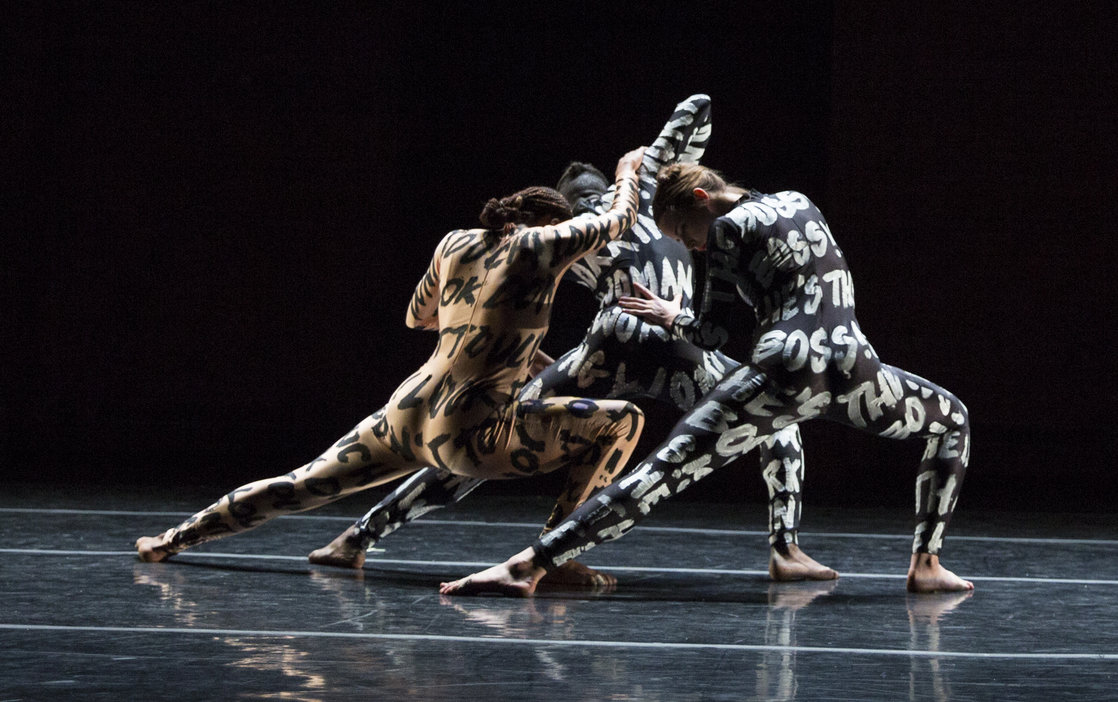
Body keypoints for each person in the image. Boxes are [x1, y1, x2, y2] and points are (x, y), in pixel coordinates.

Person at [308, 95, 835, 583]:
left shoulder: (576, 227)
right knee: (778, 422)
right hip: (670, 342)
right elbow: (698, 106)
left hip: (610, 341)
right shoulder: (632, 199)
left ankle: (360, 535)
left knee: (487, 440)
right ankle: (784, 549)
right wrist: (654, 156)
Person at [439, 161, 972, 596]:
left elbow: (712, 334)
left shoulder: (724, 230)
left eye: (683, 235)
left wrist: (670, 316)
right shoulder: (798, 200)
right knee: (951, 422)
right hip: (856, 367)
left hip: (788, 368)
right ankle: (926, 562)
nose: (692, 247)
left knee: (664, 470)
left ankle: (526, 566)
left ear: (699, 198)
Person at [134, 147, 649, 563]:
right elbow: (621, 218)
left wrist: (509, 346)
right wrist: (628, 170)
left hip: (406, 411)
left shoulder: (454, 244)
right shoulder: (543, 244)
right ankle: (555, 558)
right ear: (547, 223)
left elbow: (419, 318)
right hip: (470, 428)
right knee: (623, 421)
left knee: (303, 483)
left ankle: (172, 540)